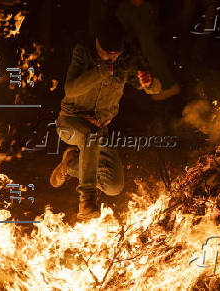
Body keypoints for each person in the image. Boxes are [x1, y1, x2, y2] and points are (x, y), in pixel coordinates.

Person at [50, 18, 167, 220]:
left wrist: (149, 82)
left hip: (99, 131)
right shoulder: (83, 52)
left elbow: (155, 88)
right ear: (98, 44)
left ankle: (69, 164)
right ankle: (86, 198)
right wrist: (99, 73)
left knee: (113, 187)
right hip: (70, 122)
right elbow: (70, 90)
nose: (110, 58)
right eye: (105, 53)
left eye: (116, 54)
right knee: (90, 135)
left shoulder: (128, 59)